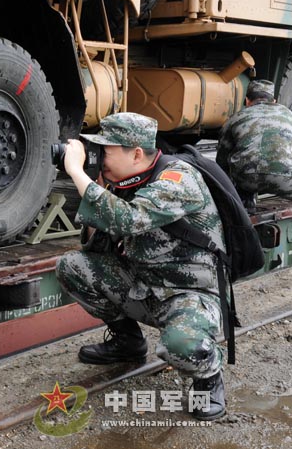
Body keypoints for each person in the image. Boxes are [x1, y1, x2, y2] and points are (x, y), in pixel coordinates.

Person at [55, 112, 226, 421]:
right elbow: (96, 244)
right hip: (143, 284)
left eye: (106, 150)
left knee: (180, 345)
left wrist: (75, 172)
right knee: (72, 266)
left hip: (185, 294)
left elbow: (129, 219)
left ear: (135, 153)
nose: (100, 157)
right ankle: (128, 343)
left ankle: (208, 378)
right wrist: (97, 184)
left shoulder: (178, 179)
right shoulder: (125, 181)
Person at [216, 79, 292, 209]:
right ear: (274, 101)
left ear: (247, 100)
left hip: (246, 180)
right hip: (285, 181)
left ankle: (247, 203)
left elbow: (222, 160)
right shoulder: (289, 116)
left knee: (240, 167)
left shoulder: (235, 118)